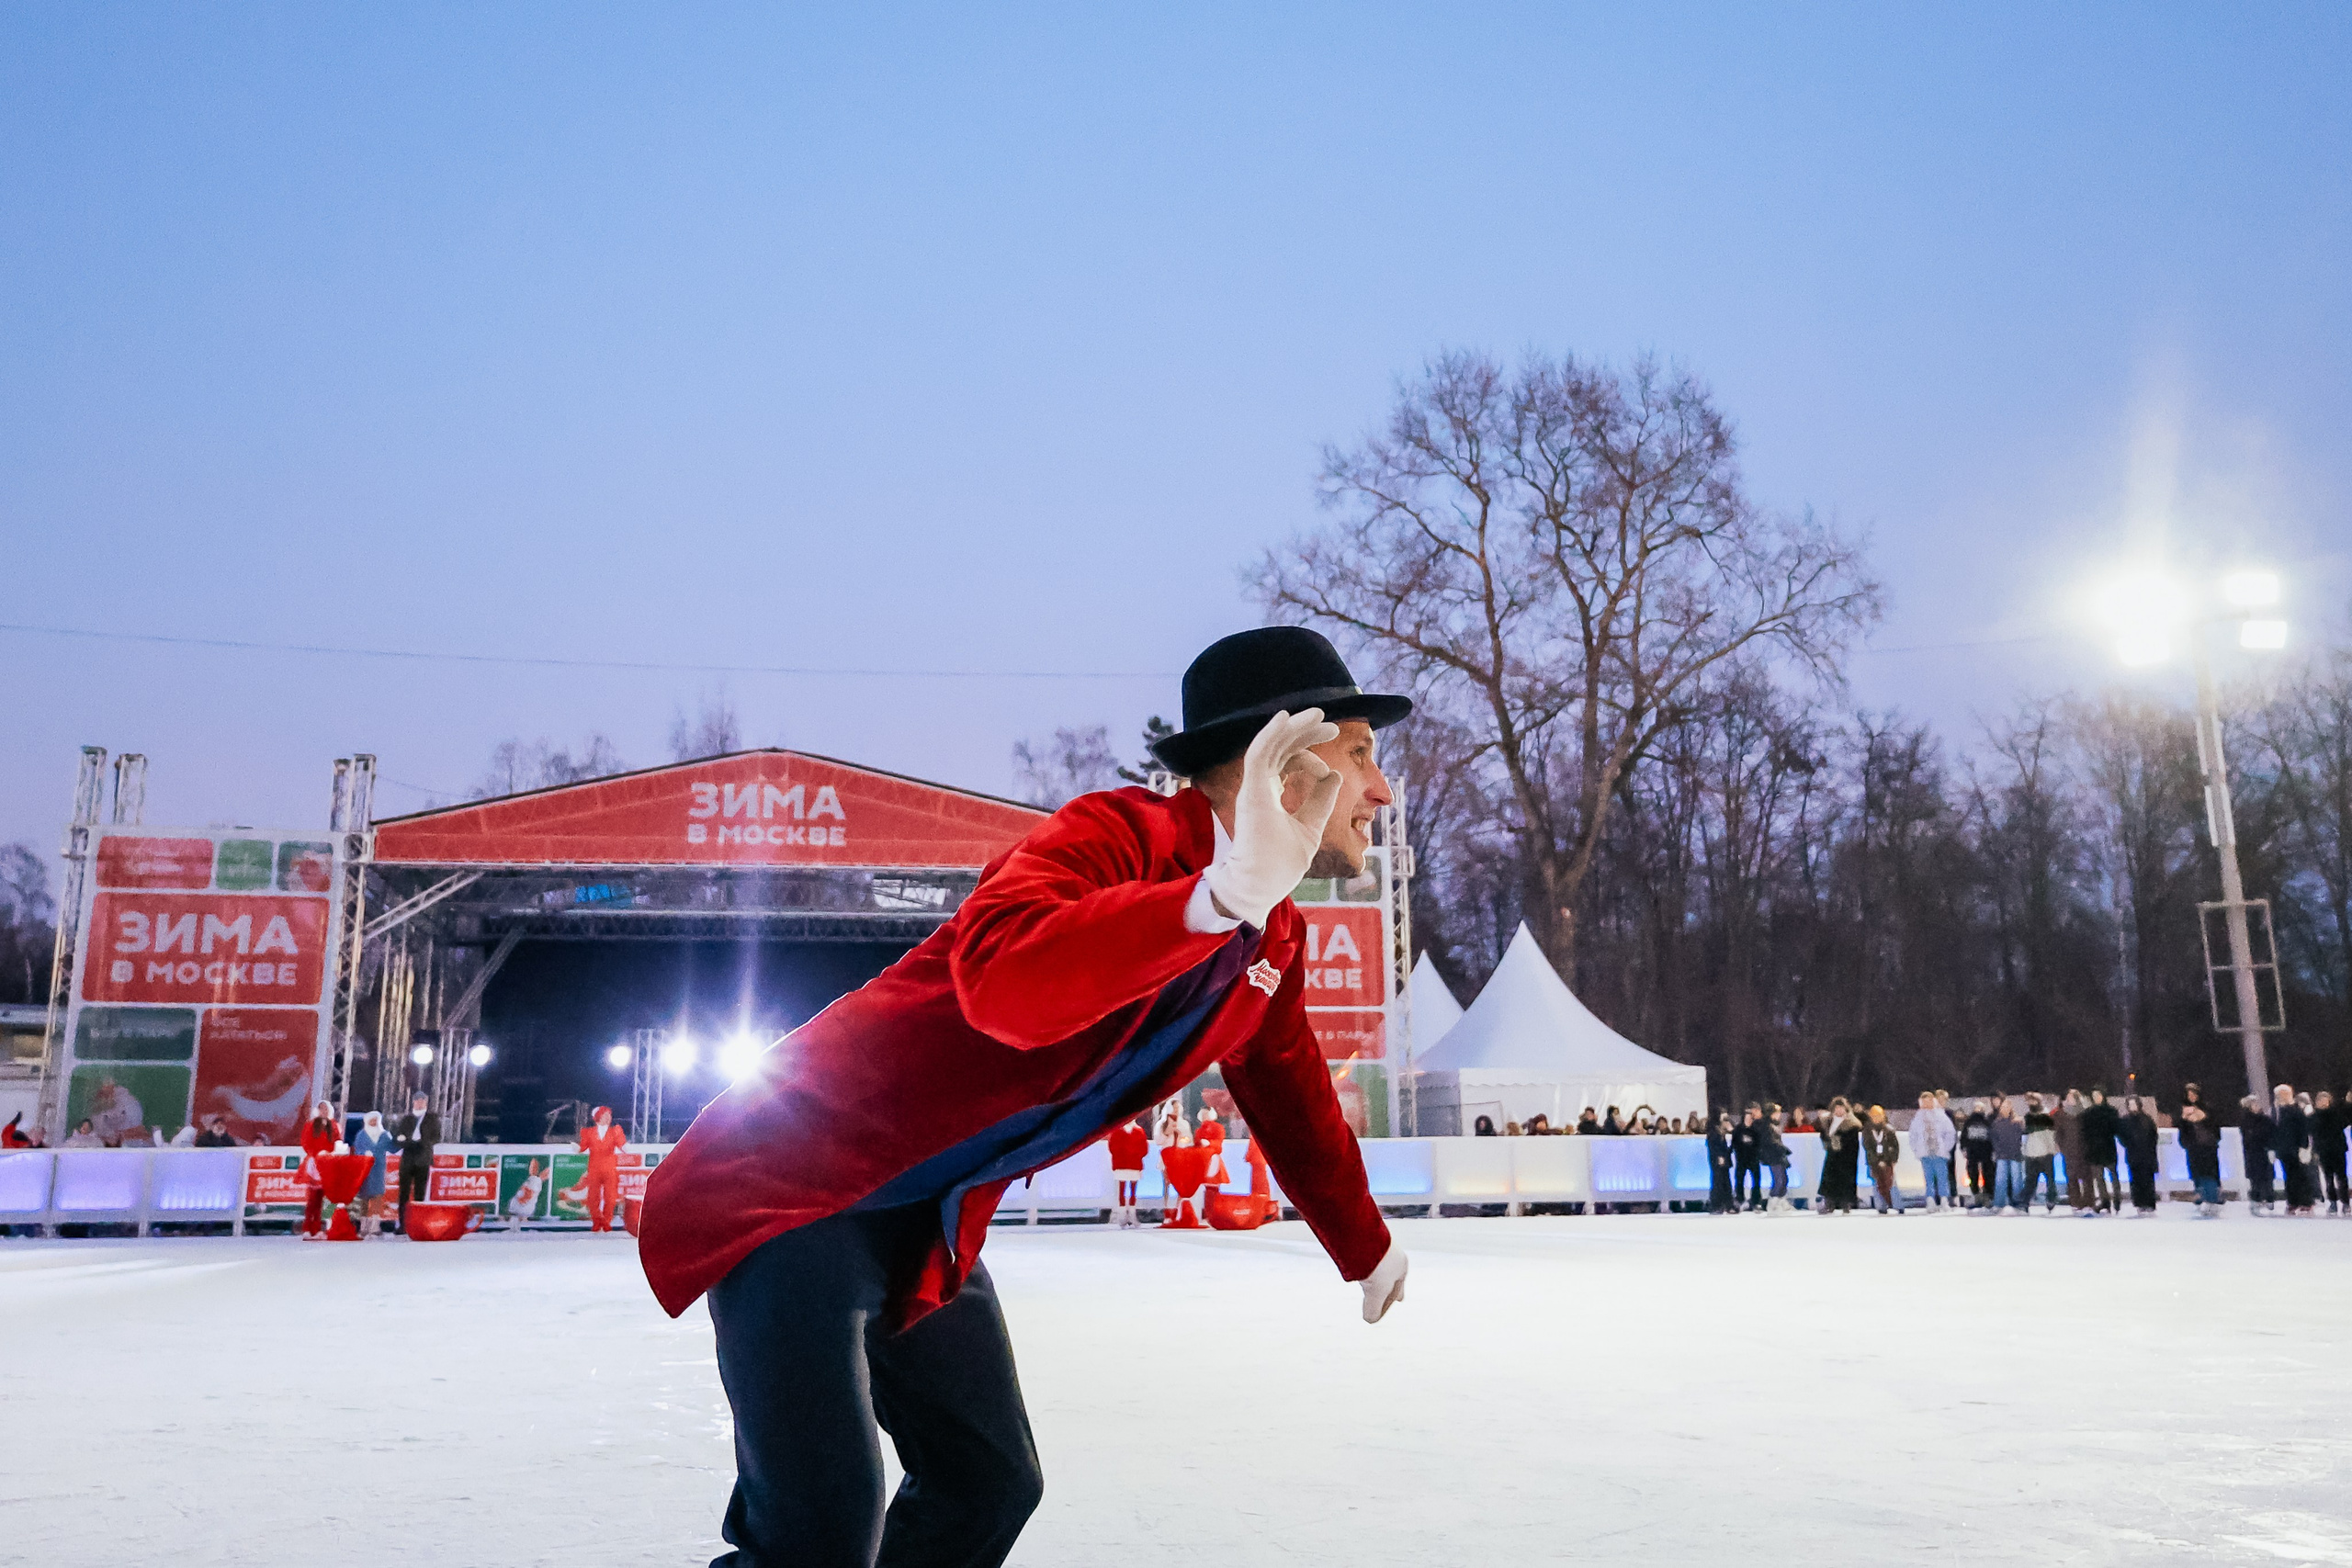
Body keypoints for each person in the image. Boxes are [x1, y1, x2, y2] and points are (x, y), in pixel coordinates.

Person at [638, 626, 1413, 1568]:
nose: (1380, 790)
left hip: (925, 1218)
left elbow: (1291, 1094)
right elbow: (1005, 983)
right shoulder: (1116, 836)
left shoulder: (1273, 938)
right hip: (789, 1184)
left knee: (989, 1483)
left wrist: (1363, 1241)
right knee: (819, 1531)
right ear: (1281, 760)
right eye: (1362, 753)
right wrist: (1212, 895)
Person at [392, 1092, 440, 1234]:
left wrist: (423, 1143)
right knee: (404, 1193)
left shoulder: (432, 1118)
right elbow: (397, 1136)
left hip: (423, 1157)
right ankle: (403, 1224)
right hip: (408, 1157)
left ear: (426, 1102)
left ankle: (417, 1223)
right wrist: (405, 1142)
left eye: (422, 1100)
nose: (420, 1103)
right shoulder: (407, 1119)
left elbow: (436, 1137)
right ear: (413, 1102)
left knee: (420, 1192)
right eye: (417, 1100)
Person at [576, 1104, 628, 1233]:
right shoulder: (588, 1132)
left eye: (609, 1115)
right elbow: (582, 1147)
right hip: (594, 1168)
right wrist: (576, 1148)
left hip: (610, 1168)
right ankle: (597, 1220)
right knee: (592, 1198)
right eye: (605, 1115)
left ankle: (606, 1220)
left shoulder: (615, 1131)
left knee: (610, 1198)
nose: (608, 1118)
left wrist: (627, 1147)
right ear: (598, 1117)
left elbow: (622, 1144)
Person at [298, 1100, 341, 1240]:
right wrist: (316, 1154)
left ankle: (318, 1229)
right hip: (315, 1163)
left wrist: (333, 1153)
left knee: (323, 1199)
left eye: (326, 1109)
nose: (324, 1112)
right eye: (321, 1109)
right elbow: (305, 1142)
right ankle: (307, 1228)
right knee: (312, 1199)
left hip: (327, 1164)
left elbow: (337, 1142)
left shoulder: (333, 1125)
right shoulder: (311, 1125)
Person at [2177, 1084, 2223, 1216]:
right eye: (2189, 1094)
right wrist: (2184, 1120)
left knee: (2210, 1173)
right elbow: (2183, 1130)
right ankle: (2202, 1198)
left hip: (2208, 1147)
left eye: (2194, 1094)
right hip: (2194, 1148)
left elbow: (2215, 1126)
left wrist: (2204, 1119)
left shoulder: (2208, 1109)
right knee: (2197, 1173)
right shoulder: (2184, 1111)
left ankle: (2213, 1199)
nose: (2191, 1097)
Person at [2271, 1084, 2315, 1216]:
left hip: (2295, 1148)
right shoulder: (2276, 1111)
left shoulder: (2296, 1110)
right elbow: (2274, 1131)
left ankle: (2306, 1202)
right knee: (2289, 1177)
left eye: (2283, 1094)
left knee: (2301, 1176)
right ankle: (2293, 1201)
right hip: (2283, 1149)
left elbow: (2303, 1129)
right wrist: (2273, 1147)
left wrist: (2304, 1147)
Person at [353, 1111, 396, 1237]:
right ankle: (364, 1227)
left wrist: (400, 1139)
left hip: (378, 1169)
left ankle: (375, 1226)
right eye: (372, 1119)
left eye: (376, 1120)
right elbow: (357, 1150)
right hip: (365, 1169)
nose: (374, 1122)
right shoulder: (362, 1135)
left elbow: (393, 1148)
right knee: (364, 1198)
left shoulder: (384, 1135)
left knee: (377, 1197)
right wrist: (364, 1154)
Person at [2079, 1088, 2121, 1215]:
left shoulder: (2111, 1112)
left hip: (2107, 1147)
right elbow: (2084, 1131)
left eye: (2098, 1095)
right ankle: (2105, 1201)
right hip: (2095, 1149)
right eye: (2094, 1095)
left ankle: (2117, 1200)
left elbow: (2116, 1128)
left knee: (2113, 1175)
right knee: (2099, 1178)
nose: (2096, 1097)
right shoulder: (2088, 1114)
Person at [1911, 1091, 1955, 1212]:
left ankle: (1944, 1200)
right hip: (1925, 1153)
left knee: (1942, 1177)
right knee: (1928, 1178)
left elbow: (1950, 1132)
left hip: (1939, 1153)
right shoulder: (1918, 1117)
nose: (1927, 1103)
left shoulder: (1941, 1115)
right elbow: (1913, 1135)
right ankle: (1930, 1201)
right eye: (1924, 1101)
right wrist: (1916, 1150)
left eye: (1929, 1101)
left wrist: (1946, 1148)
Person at [2117, 1096, 2160, 1215]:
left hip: (2147, 1155)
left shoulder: (2147, 1119)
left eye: (2134, 1104)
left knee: (2148, 1180)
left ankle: (2150, 1203)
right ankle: (2139, 1203)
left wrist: (2150, 1149)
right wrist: (2129, 1144)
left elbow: (2153, 1136)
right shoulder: (2125, 1121)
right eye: (2130, 1104)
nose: (2132, 1106)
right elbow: (2121, 1136)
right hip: (2133, 1155)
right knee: (2136, 1180)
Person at [1817, 1098, 1861, 1214]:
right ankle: (1829, 1204)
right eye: (1836, 1108)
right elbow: (1824, 1135)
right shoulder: (1828, 1121)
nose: (1838, 1110)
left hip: (1846, 1158)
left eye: (1841, 1107)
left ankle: (1845, 1204)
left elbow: (1852, 1143)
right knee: (1830, 1181)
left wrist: (1840, 1143)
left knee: (1845, 1181)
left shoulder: (1851, 1124)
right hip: (1832, 1156)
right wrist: (1828, 1143)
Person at [1106, 1116, 1148, 1228]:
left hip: (1134, 1165)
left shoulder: (1139, 1131)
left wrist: (1135, 1155)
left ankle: (1132, 1214)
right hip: (1121, 1165)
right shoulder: (1117, 1130)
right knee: (1122, 1189)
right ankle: (1122, 1215)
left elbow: (1144, 1148)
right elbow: (1112, 1147)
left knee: (1133, 1190)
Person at [2021, 1095, 2061, 1213]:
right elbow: (2026, 1133)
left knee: (2050, 1179)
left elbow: (2051, 1133)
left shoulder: (2046, 1115)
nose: (2031, 1103)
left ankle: (2051, 1200)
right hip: (2031, 1152)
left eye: (2033, 1101)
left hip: (2045, 1152)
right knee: (2030, 1180)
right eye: (2029, 1101)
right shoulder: (2028, 1116)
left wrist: (2053, 1148)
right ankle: (2024, 1202)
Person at [2312, 1089, 2348, 1215]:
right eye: (2321, 1100)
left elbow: (2344, 1123)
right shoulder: (2314, 1116)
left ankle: (2345, 1202)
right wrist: (2316, 1149)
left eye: (2325, 1100)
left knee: (2341, 1177)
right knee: (2328, 1178)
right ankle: (2332, 1201)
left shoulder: (2336, 1113)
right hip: (2324, 1150)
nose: (2323, 1102)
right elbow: (2314, 1134)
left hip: (2338, 1149)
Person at [2240, 1095, 2278, 1214]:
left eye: (2257, 1104)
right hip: (2253, 1153)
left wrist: (2272, 1148)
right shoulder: (2246, 1120)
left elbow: (2273, 1134)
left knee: (2268, 1176)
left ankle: (2269, 1198)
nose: (2257, 1106)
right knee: (2255, 1178)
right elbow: (2248, 1137)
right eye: (2254, 1104)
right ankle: (2256, 1200)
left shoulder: (2266, 1119)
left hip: (2265, 1151)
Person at [1861, 1106, 1903, 1215]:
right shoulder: (1867, 1130)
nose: (1876, 1118)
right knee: (1877, 1184)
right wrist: (1876, 1161)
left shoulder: (1889, 1129)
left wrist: (1891, 1159)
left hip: (1888, 1162)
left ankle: (1897, 1205)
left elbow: (1895, 1146)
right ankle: (1881, 1206)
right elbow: (1867, 1147)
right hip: (1873, 1162)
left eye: (1879, 1115)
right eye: (1874, 1116)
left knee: (1891, 1183)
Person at [2055, 1089, 2089, 1212]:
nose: (2068, 1099)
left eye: (2071, 1097)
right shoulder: (2062, 1114)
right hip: (2069, 1150)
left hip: (2083, 1150)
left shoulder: (2084, 1113)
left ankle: (2088, 1202)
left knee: (2086, 1176)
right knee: (2071, 1176)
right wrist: (2063, 1147)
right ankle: (2075, 1202)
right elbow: (2059, 1133)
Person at [1960, 1097, 1995, 1209]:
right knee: (1972, 1173)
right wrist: (1963, 1148)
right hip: (1972, 1151)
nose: (1978, 1110)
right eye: (1977, 1107)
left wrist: (1992, 1149)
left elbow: (1991, 1137)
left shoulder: (1987, 1121)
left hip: (1985, 1151)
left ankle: (1987, 1195)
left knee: (1988, 1173)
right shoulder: (1968, 1122)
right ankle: (1975, 1194)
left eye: (1980, 1108)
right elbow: (1964, 1136)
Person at [1758, 1104, 1792, 1213]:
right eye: (1777, 1113)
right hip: (1773, 1156)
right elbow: (1769, 1141)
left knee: (1784, 1179)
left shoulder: (1775, 1125)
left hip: (1778, 1155)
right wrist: (1782, 1148)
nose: (1779, 1115)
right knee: (1779, 1179)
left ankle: (1780, 1200)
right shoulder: (1766, 1125)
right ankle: (1773, 1202)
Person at [1730, 1105, 1762, 1211]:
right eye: (1746, 1118)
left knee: (1756, 1180)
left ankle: (1756, 1200)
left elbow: (1759, 1144)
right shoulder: (1738, 1129)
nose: (1748, 1120)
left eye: (1750, 1118)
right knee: (1739, 1180)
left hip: (1753, 1159)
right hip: (1741, 1159)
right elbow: (1734, 1143)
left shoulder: (1756, 1130)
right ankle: (1739, 1199)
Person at [1705, 1110, 1736, 1214]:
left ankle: (1727, 1204)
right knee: (1718, 1181)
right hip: (1718, 1159)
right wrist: (1719, 1156)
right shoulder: (1714, 1132)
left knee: (1726, 1181)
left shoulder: (1722, 1131)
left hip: (1724, 1158)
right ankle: (1717, 1205)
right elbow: (1713, 1146)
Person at [506, 1157, 548, 1229]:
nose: (531, 1168)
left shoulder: (536, 1182)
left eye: (533, 1166)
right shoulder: (530, 1180)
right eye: (531, 1166)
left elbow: (528, 1195)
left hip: (523, 1210)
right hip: (517, 1209)